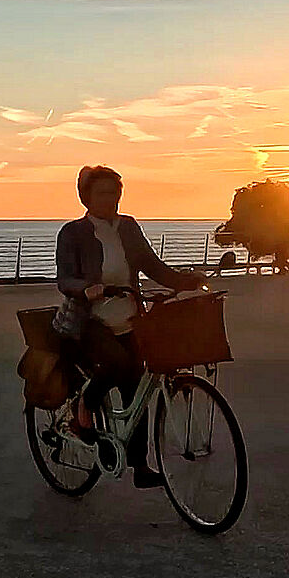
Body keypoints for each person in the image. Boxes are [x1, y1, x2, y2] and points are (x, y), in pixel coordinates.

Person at [54, 165, 207, 484]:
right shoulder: (73, 233)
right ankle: (84, 409)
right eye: (102, 193)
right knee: (117, 363)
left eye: (115, 192)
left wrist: (185, 281)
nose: (110, 198)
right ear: (86, 197)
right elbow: (65, 277)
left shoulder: (128, 227)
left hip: (130, 316)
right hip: (91, 320)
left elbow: (152, 265)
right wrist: (86, 288)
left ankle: (140, 466)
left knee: (138, 388)